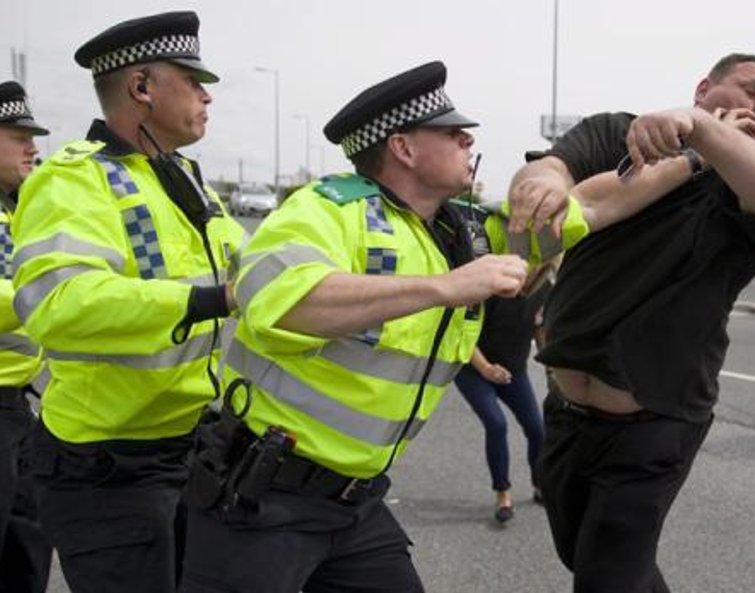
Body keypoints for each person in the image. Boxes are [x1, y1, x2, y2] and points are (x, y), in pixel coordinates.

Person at [179, 61, 594, 593]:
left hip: (355, 505)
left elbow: (599, 205)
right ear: (403, 148)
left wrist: (692, 150)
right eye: (450, 131)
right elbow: (278, 301)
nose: (468, 139)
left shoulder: (460, 229)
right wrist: (447, 286)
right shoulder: (325, 209)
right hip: (263, 504)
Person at [509, 53, 755, 592]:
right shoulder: (616, 133)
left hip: (654, 426)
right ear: (703, 87)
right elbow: (552, 168)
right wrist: (542, 181)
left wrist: (701, 132)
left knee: (606, 577)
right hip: (569, 414)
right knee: (584, 554)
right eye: (751, 90)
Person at [11, 12, 244, 593]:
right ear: (142, 88)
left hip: (185, 447)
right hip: (106, 467)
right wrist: (214, 298)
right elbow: (58, 302)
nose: (207, 93)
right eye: (193, 79)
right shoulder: (74, 179)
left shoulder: (180, 176)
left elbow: (249, 261)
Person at [0, 80, 53, 593]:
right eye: (17, 135)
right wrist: (53, 295)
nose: (32, 147)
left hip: (18, 407)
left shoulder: (20, 212)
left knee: (27, 546)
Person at [453, 263, 552, 523]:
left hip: (513, 371)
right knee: (496, 424)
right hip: (474, 370)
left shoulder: (545, 290)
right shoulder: (491, 289)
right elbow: (463, 334)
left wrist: (550, 364)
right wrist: (485, 368)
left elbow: (539, 328)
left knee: (537, 429)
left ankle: (540, 485)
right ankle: (502, 493)